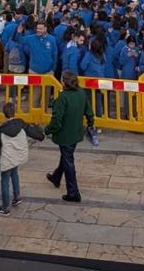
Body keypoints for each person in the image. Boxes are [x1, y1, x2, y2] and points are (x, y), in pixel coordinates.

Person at [0, 101, 45, 215]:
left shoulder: (1, 131)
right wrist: (41, 135)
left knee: (4, 181)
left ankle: (5, 207)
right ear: (15, 112)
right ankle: (17, 196)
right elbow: (36, 134)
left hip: (7, 159)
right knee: (14, 173)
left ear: (4, 114)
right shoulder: (21, 124)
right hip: (18, 157)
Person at [45, 70, 93, 203]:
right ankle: (56, 177)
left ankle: (73, 192)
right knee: (66, 155)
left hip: (65, 134)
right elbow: (88, 110)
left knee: (68, 160)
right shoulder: (81, 92)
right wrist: (90, 123)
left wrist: (48, 130)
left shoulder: (63, 97)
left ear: (64, 82)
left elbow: (57, 120)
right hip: (77, 132)